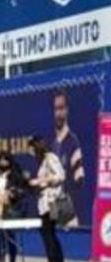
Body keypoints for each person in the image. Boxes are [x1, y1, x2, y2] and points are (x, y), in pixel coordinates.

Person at [29, 135, 69, 262]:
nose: (31, 151)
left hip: (50, 203)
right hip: (45, 203)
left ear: (36, 146)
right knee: (51, 235)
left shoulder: (50, 158)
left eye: (31, 148)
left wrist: (41, 181)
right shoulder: (42, 162)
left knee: (48, 237)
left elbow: (61, 175)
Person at [50, 88, 86, 224]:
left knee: (68, 239)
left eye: (61, 108)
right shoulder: (52, 143)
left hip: (67, 206)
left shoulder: (73, 142)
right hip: (53, 202)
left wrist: (68, 206)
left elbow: (79, 180)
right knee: (55, 239)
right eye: (56, 109)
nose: (58, 113)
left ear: (67, 110)